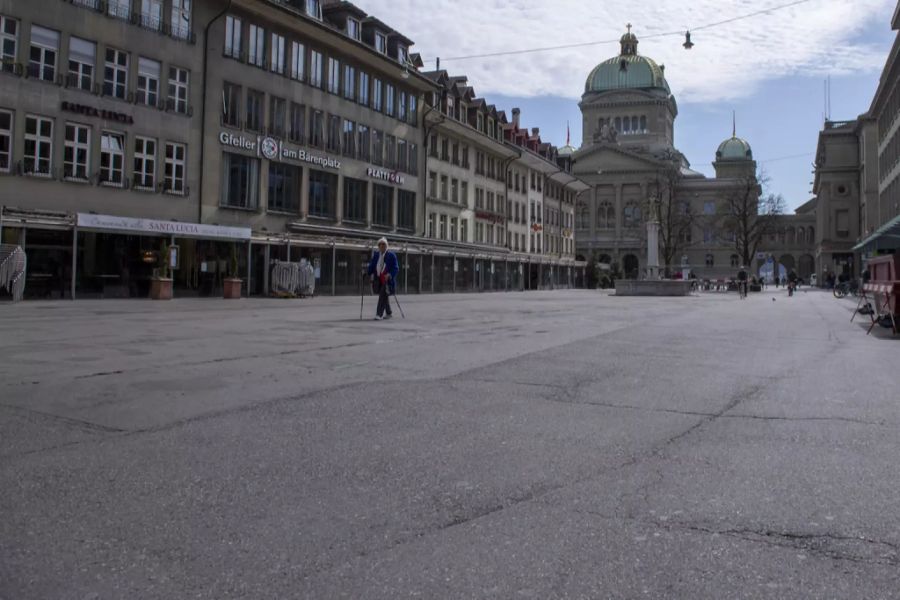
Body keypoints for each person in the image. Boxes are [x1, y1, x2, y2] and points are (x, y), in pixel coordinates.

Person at [367, 237, 399, 321]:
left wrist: (390, 274)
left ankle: (379, 314)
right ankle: (389, 313)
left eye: (383, 244)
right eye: (380, 244)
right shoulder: (377, 255)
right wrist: (367, 272)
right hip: (378, 279)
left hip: (387, 280)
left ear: (386, 245)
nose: (381, 246)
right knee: (384, 295)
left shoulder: (391, 255)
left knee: (382, 295)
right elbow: (372, 265)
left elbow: (396, 268)